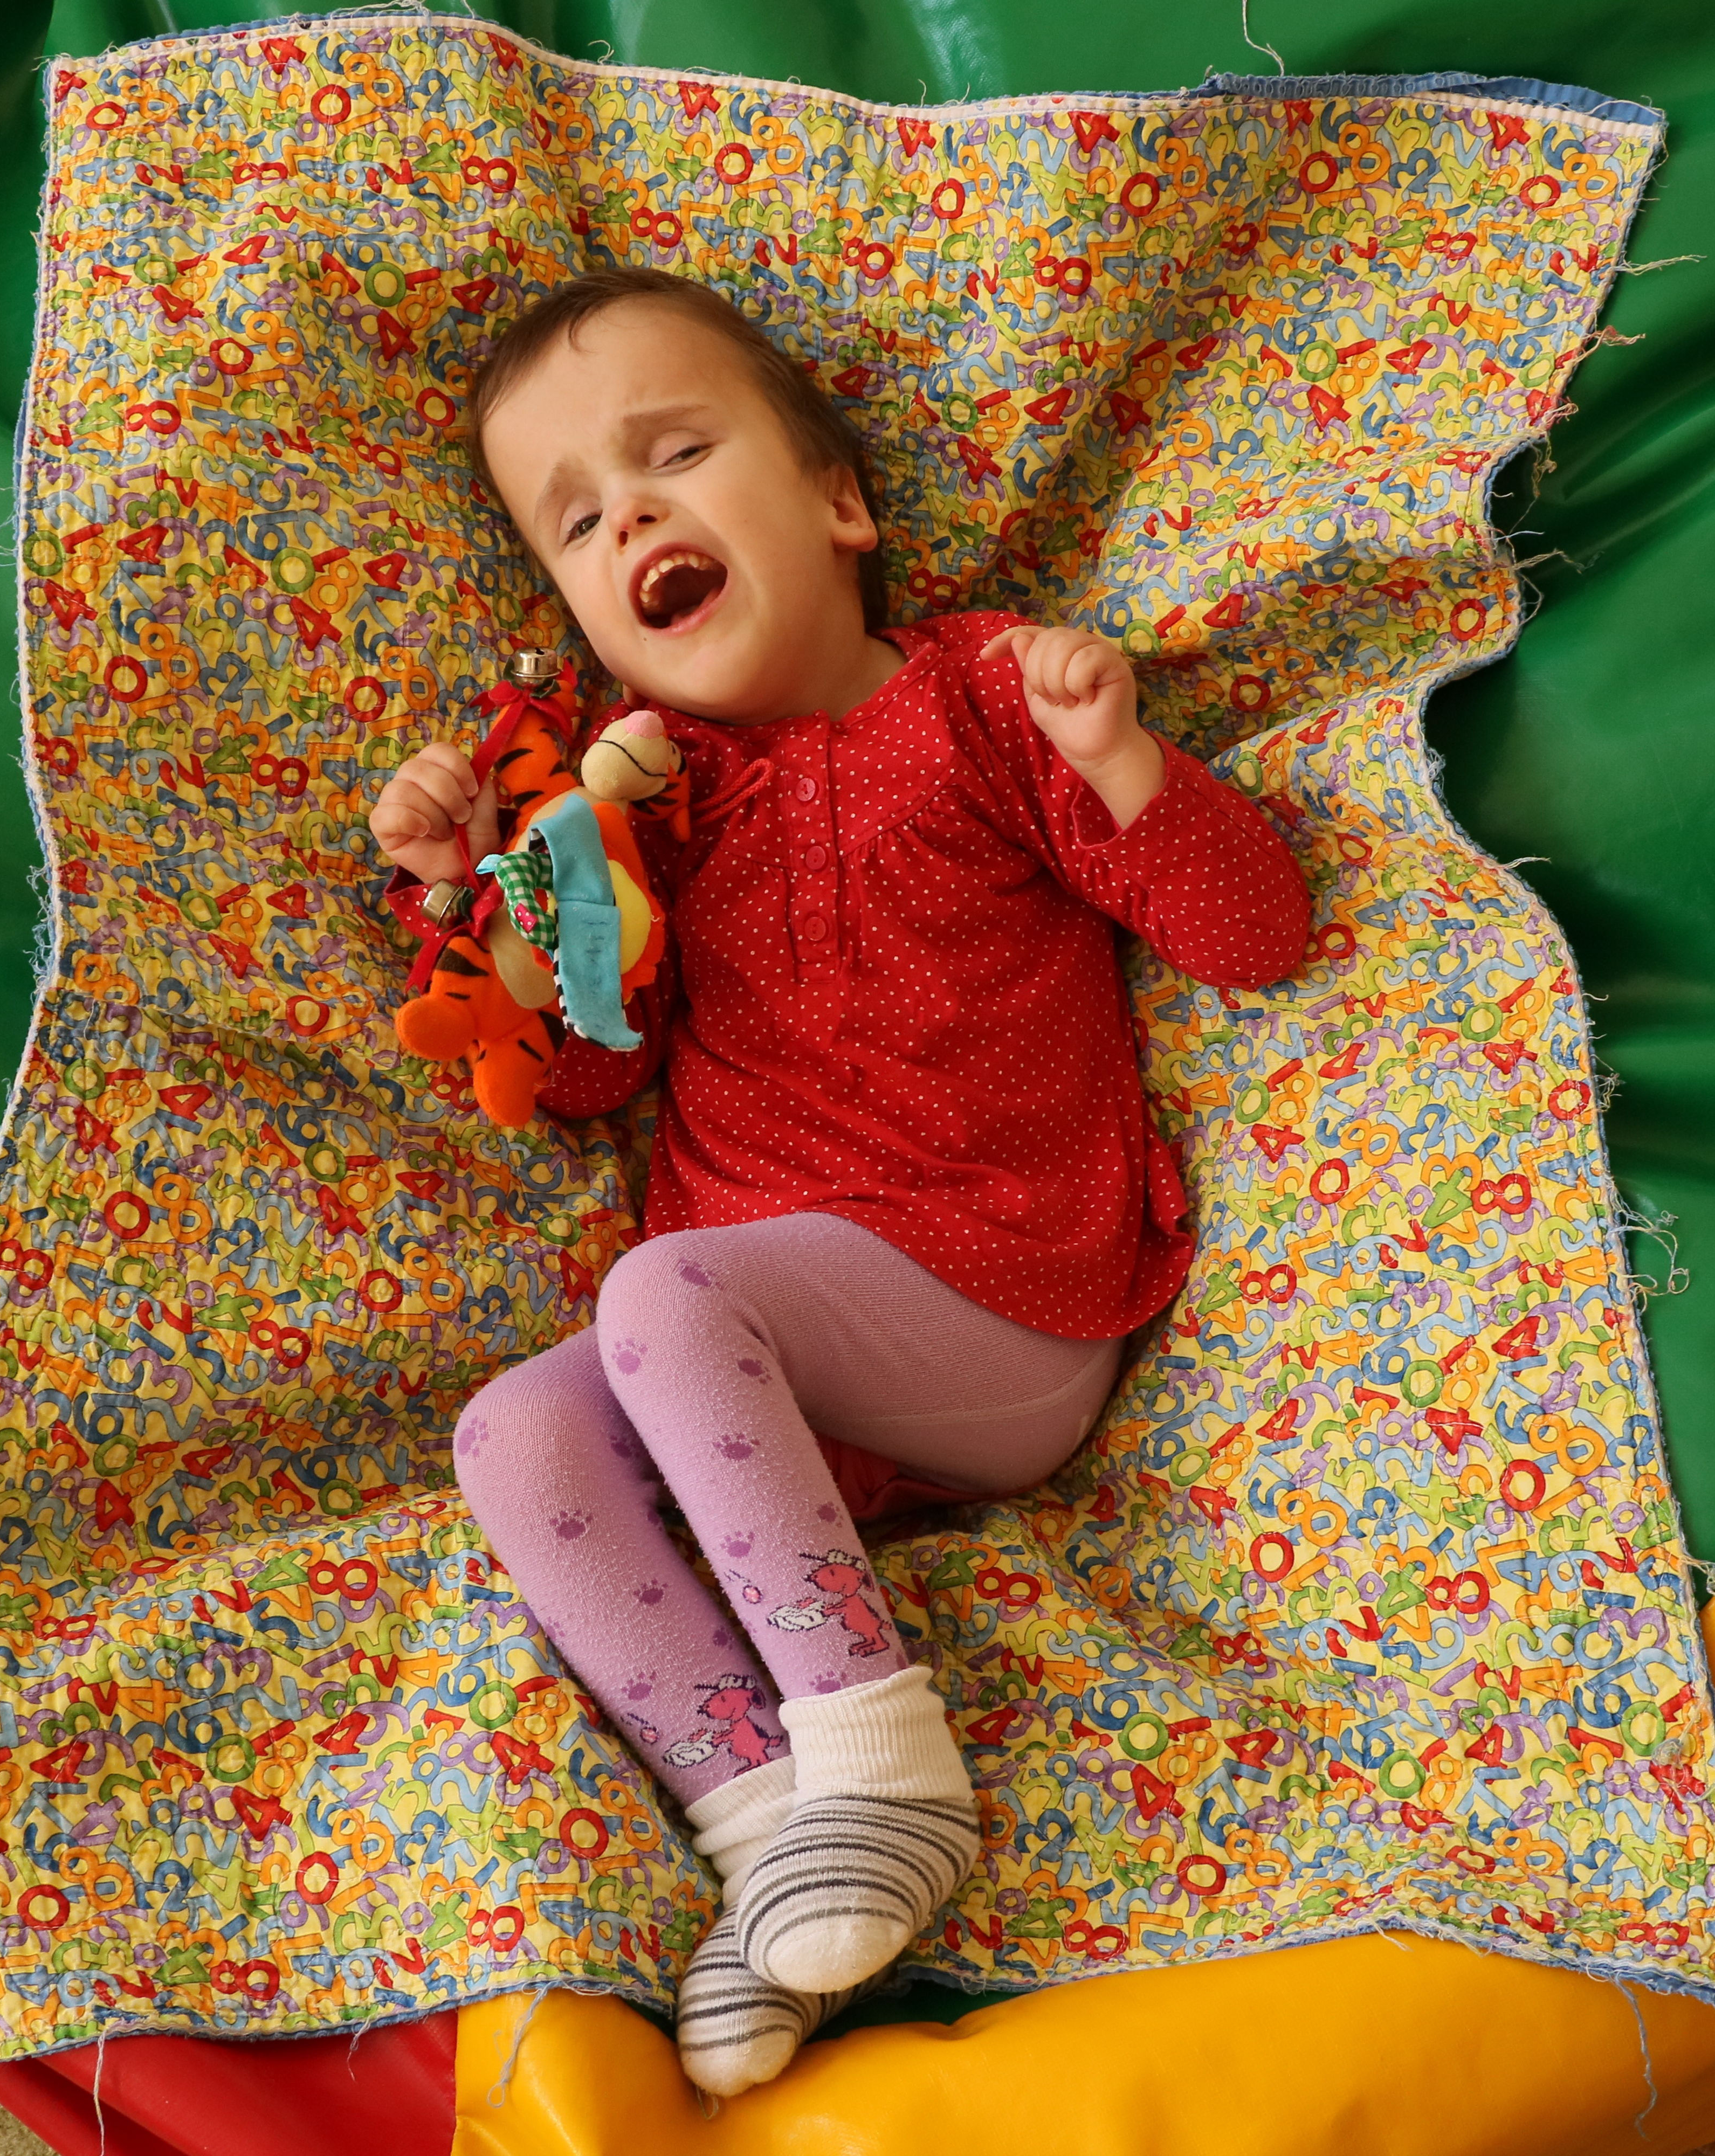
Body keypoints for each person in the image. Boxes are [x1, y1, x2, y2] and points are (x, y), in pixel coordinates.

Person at [365, 268, 1319, 2093]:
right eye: (578, 520)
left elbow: (1254, 936)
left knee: (664, 1291)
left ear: (841, 505)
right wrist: (494, 887)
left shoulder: (978, 700)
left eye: (673, 456)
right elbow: (587, 1080)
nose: (629, 516)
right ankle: (765, 1829)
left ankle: (884, 1764)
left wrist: (1120, 757)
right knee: (516, 1435)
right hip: (763, 1389)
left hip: (1000, 1309)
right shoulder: (647, 816)